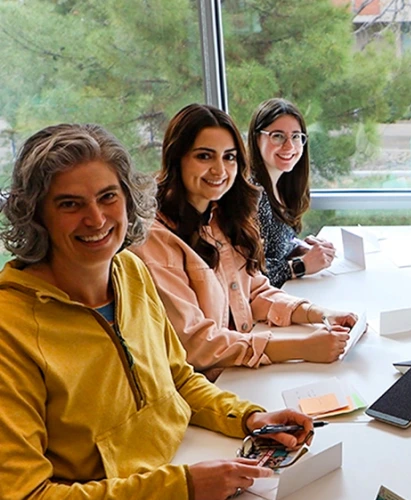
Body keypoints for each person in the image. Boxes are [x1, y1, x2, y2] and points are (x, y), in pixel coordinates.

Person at [0, 124, 315, 500]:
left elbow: (177, 378)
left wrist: (249, 418)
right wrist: (185, 485)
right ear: (35, 215)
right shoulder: (10, 328)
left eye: (108, 196)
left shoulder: (128, 270)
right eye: (69, 204)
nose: (97, 219)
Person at [132, 103, 357, 380]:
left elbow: (253, 292)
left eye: (229, 157)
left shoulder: (220, 215)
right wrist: (301, 347)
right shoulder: (155, 238)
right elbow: (196, 345)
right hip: (200, 389)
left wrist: (319, 314)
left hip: (238, 371)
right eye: (204, 156)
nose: (220, 170)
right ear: (176, 158)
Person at [247, 98, 335, 288]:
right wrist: (301, 265)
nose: (289, 146)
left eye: (296, 136)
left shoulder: (283, 184)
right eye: (277, 136)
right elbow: (248, 273)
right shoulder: (254, 194)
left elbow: (273, 248)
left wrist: (299, 248)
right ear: (256, 138)